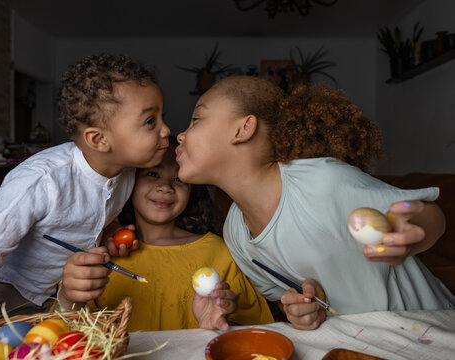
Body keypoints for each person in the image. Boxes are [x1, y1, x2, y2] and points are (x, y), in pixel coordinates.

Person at [175, 76, 455, 330]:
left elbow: (434, 217)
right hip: (360, 342)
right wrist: (304, 307)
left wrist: (412, 236)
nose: (181, 134)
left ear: (243, 129)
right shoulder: (236, 234)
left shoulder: (322, 182)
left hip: (430, 327)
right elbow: (296, 298)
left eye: (196, 119)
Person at [0, 54, 170, 333]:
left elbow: (88, 216)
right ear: (99, 139)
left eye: (162, 117)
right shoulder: (41, 180)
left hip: (55, 299)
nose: (166, 129)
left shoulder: (126, 173)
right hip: (0, 297)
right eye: (151, 121)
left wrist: (109, 232)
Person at [58, 137, 275, 331]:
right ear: (128, 182)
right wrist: (69, 297)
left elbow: (258, 331)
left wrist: (222, 321)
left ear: (193, 190)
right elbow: (61, 333)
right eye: (153, 174)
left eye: (179, 179)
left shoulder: (218, 252)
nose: (165, 187)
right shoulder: (102, 253)